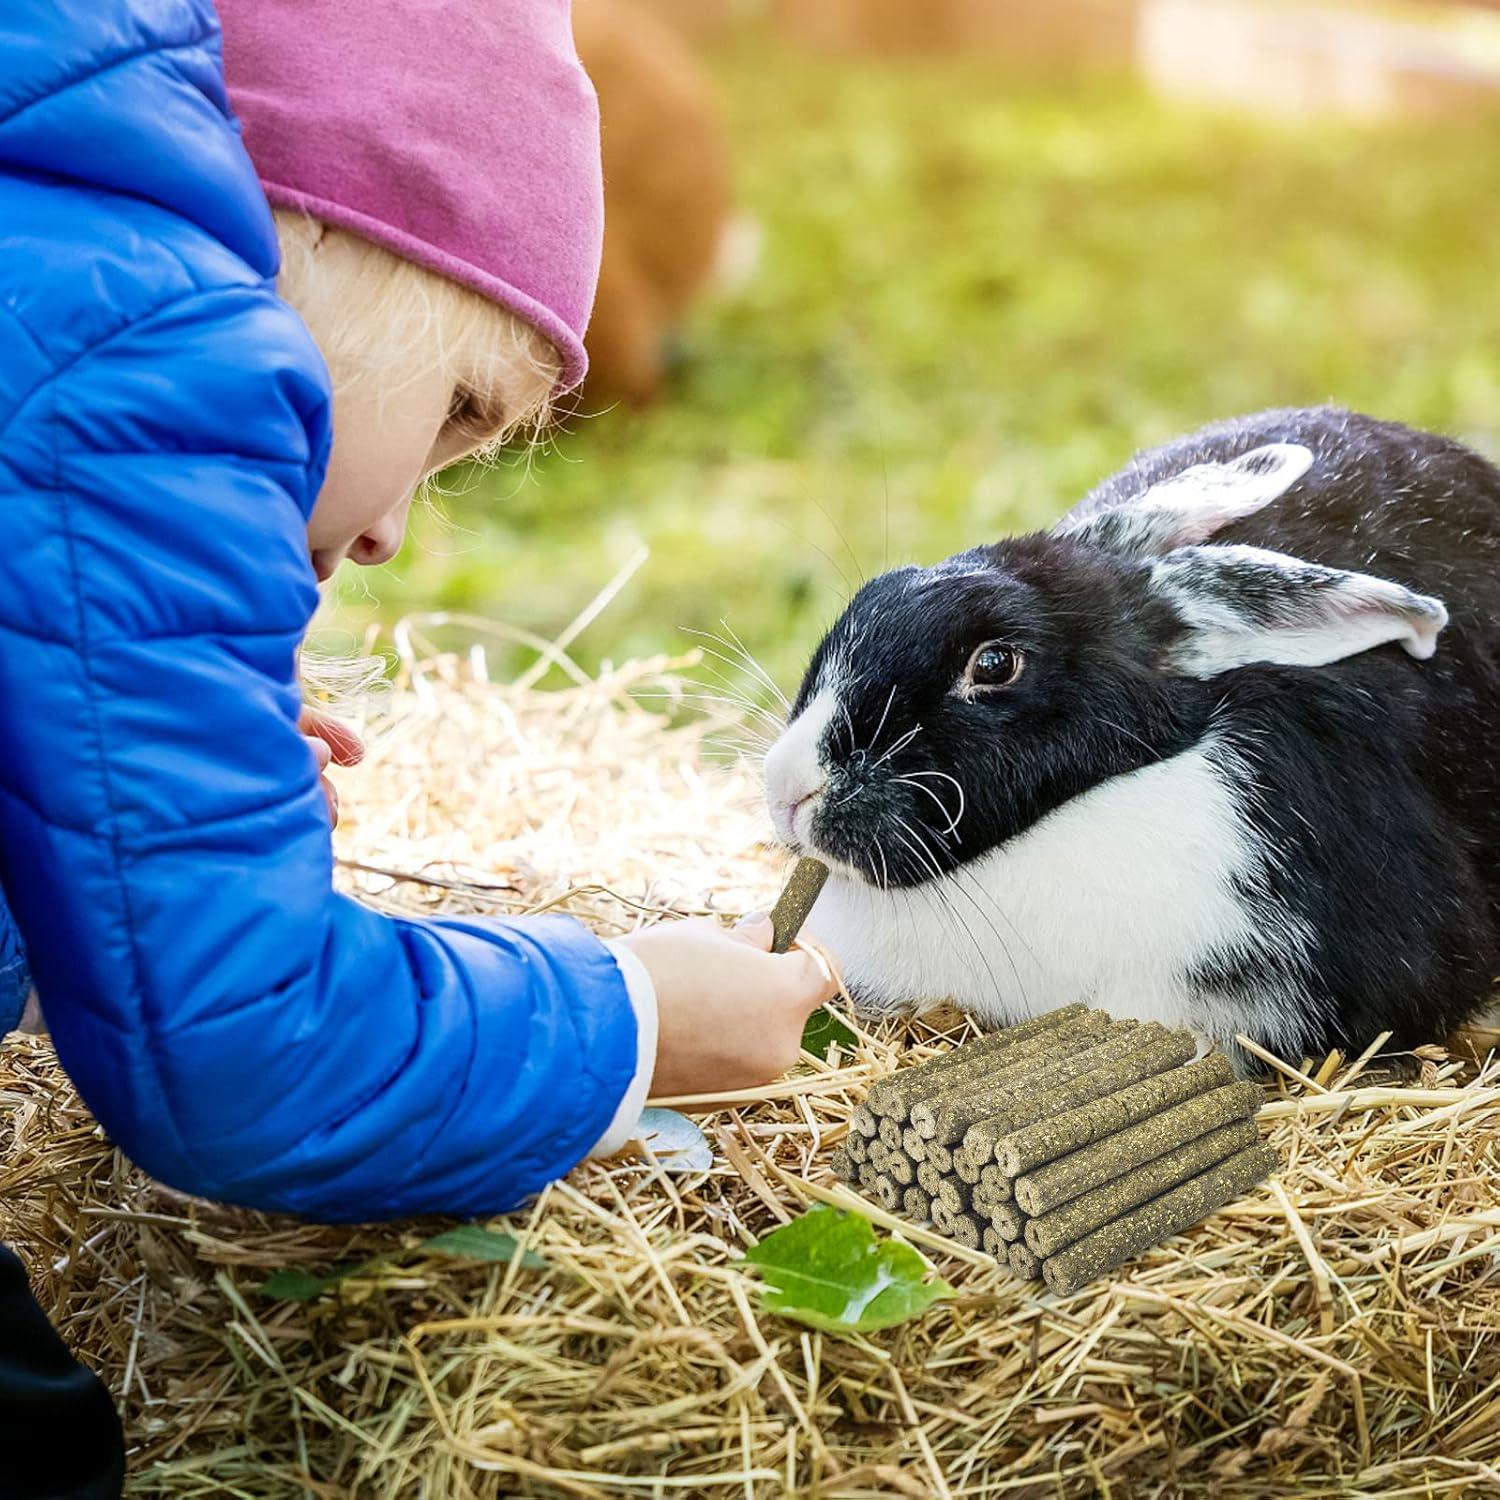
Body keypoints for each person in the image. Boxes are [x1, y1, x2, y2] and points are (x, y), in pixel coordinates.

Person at [0, 1, 835, 1492]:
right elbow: (244, 1052)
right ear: (339, 231)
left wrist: (85, 777)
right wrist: (637, 1016)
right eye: (457, 411)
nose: (389, 531)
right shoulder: (155, 343)